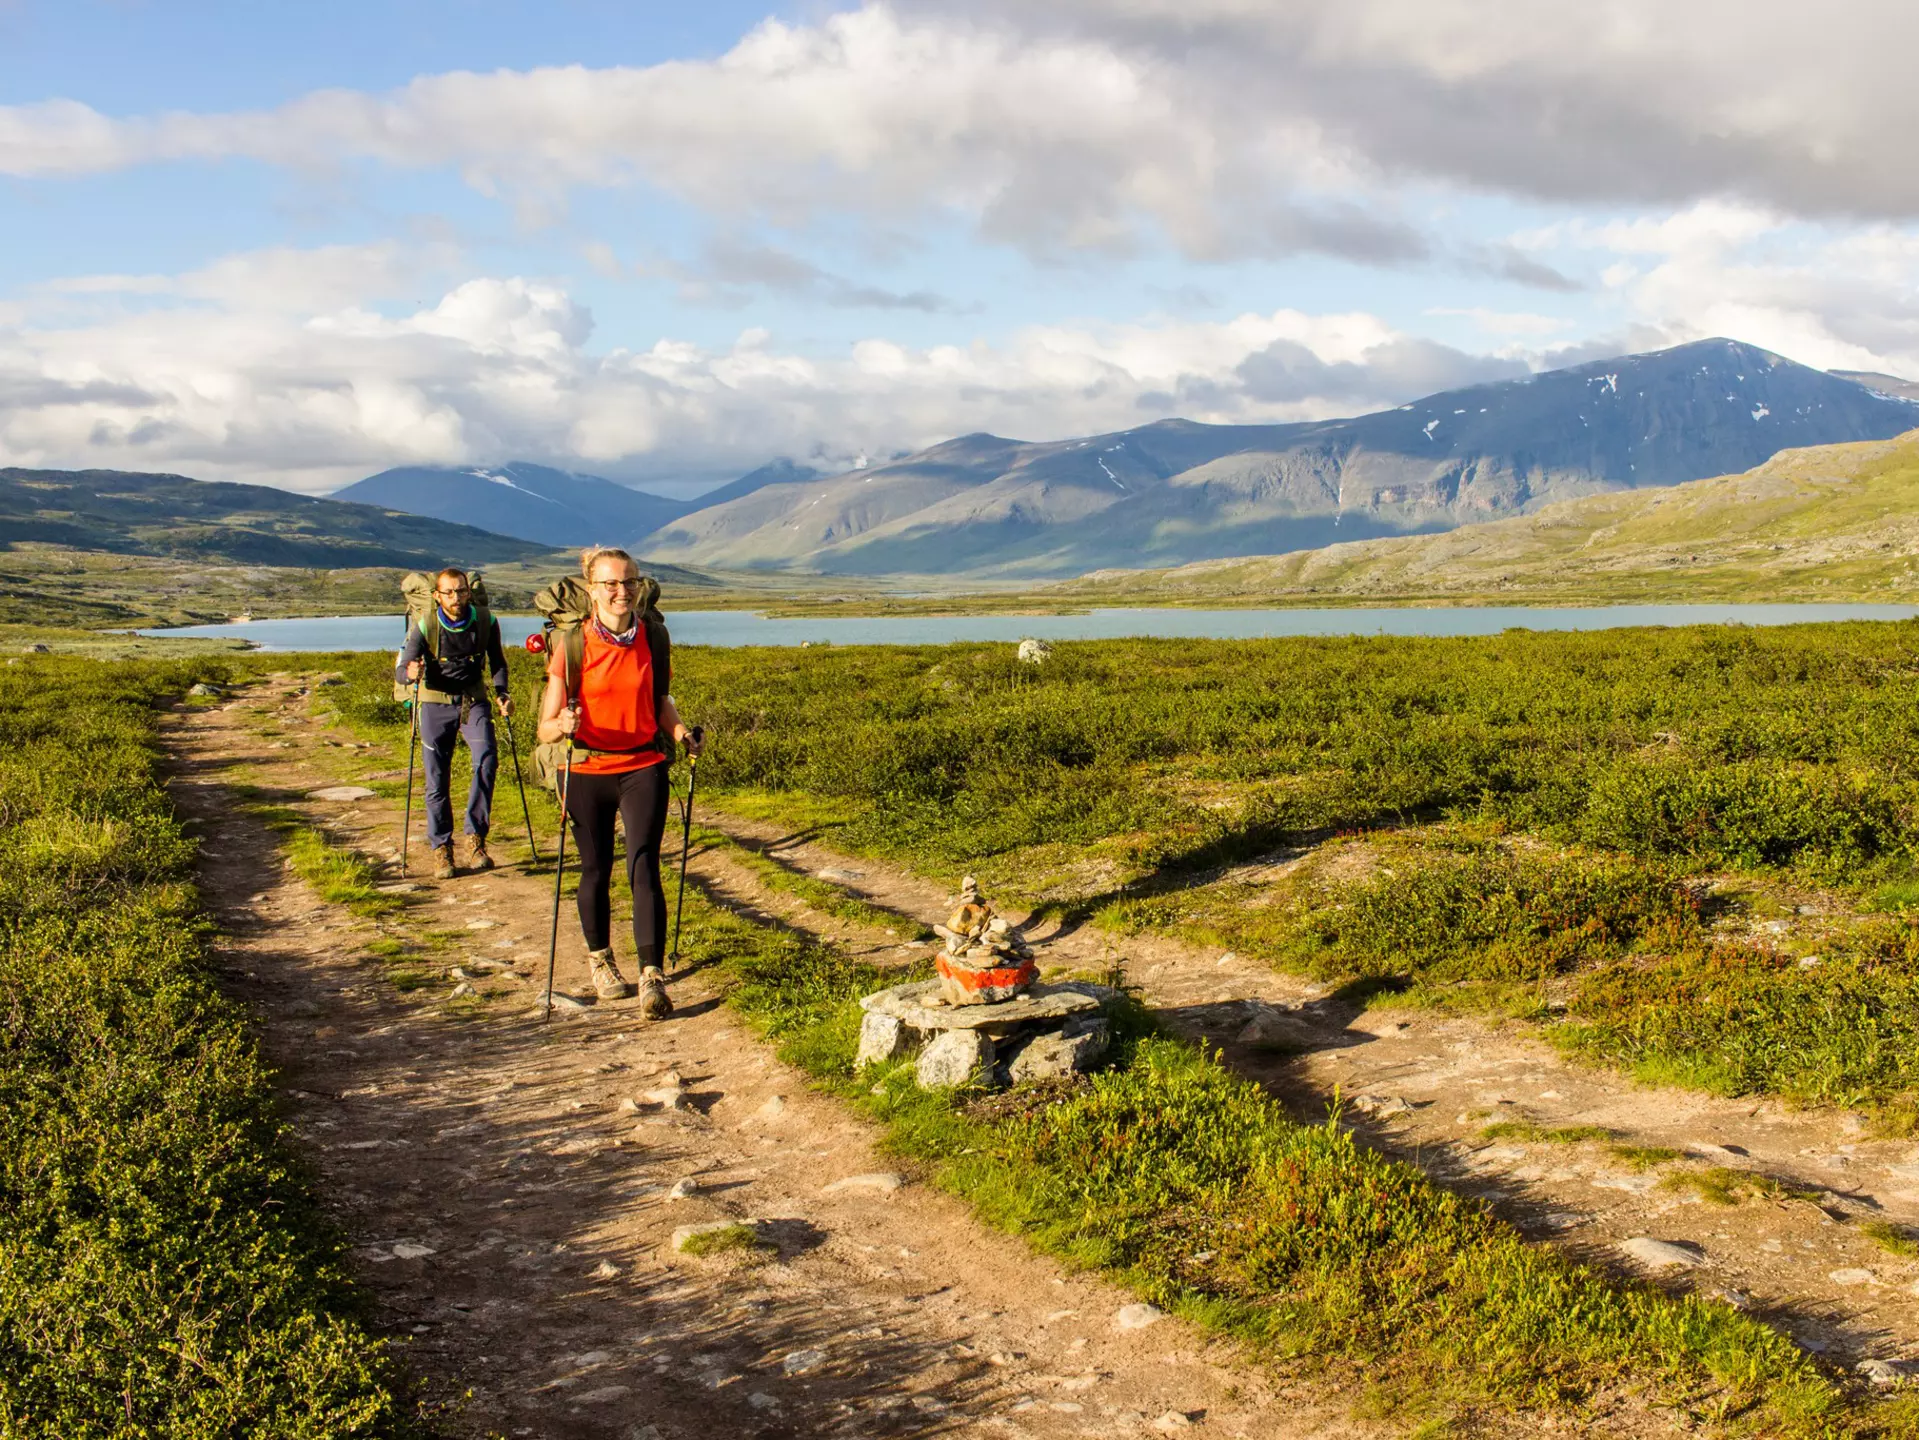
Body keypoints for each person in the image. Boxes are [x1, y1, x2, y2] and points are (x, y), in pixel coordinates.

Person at [535, 546, 700, 1018]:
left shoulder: (653, 636)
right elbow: (545, 727)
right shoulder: (571, 645)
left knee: (645, 864)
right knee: (595, 868)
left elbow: (660, 699)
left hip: (642, 764)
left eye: (629, 582)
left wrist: (680, 732)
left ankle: (652, 976)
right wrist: (562, 725)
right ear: (592, 590)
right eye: (611, 583)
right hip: (585, 769)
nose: (622, 591)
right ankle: (601, 962)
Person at [395, 567, 513, 880]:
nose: (455, 597)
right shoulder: (426, 624)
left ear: (468, 592)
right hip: (434, 703)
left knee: (486, 761)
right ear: (437, 596)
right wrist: (410, 672)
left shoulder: (486, 621)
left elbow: (498, 662)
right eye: (448, 592)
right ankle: (441, 848)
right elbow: (402, 668)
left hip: (473, 700)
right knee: (436, 779)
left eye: (460, 591)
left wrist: (502, 692)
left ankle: (476, 840)